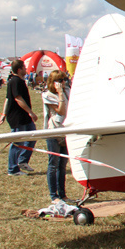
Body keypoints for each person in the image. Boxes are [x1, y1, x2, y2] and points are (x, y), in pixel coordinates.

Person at [0, 59, 37, 175]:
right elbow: (17, 99)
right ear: (19, 69)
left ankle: (22, 161)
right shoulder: (15, 81)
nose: (26, 69)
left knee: (32, 136)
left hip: (24, 117)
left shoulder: (20, 81)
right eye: (24, 67)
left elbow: (7, 99)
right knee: (17, 142)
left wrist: (3, 115)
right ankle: (13, 169)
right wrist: (31, 112)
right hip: (17, 117)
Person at [42, 70, 69, 203]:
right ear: (53, 83)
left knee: (63, 164)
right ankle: (54, 195)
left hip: (66, 130)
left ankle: (62, 194)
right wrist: (60, 93)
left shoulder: (67, 92)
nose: (63, 82)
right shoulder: (47, 95)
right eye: (60, 80)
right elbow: (61, 110)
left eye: (64, 79)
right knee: (53, 164)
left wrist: (63, 92)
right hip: (53, 132)